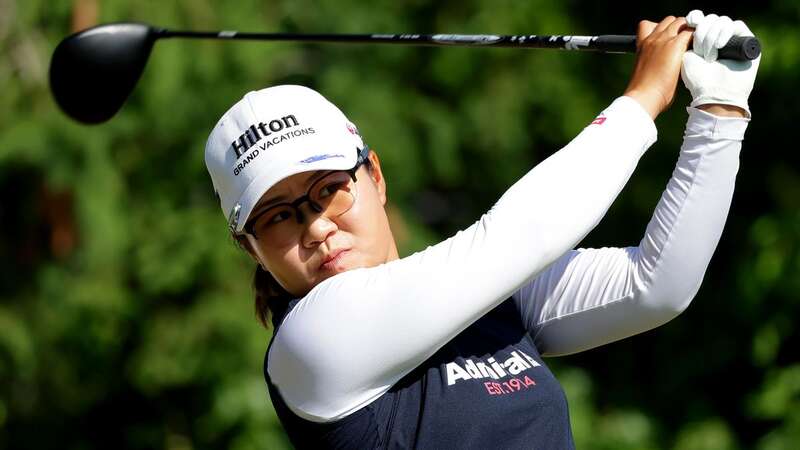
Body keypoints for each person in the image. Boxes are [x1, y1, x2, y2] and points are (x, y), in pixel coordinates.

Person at [203, 10, 759, 449]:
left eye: (329, 188)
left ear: (374, 174)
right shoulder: (311, 343)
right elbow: (519, 235)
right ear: (247, 245)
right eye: (278, 215)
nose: (318, 225)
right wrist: (643, 99)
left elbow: (655, 286)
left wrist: (719, 109)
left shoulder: (486, 295)